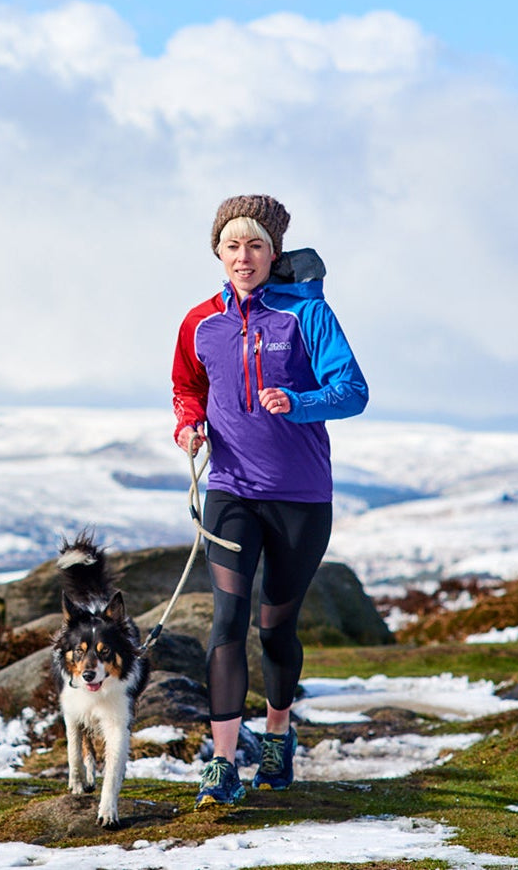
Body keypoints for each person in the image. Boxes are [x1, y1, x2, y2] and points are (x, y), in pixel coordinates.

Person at [171, 194, 368, 808]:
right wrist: (189, 424)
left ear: (273, 252)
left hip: (301, 498)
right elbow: (188, 386)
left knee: (274, 627)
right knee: (227, 621)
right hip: (231, 489)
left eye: (255, 245)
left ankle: (279, 736)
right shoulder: (200, 321)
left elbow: (353, 390)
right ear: (217, 252)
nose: (243, 256)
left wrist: (301, 401)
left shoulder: (306, 315)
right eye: (232, 245)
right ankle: (222, 762)